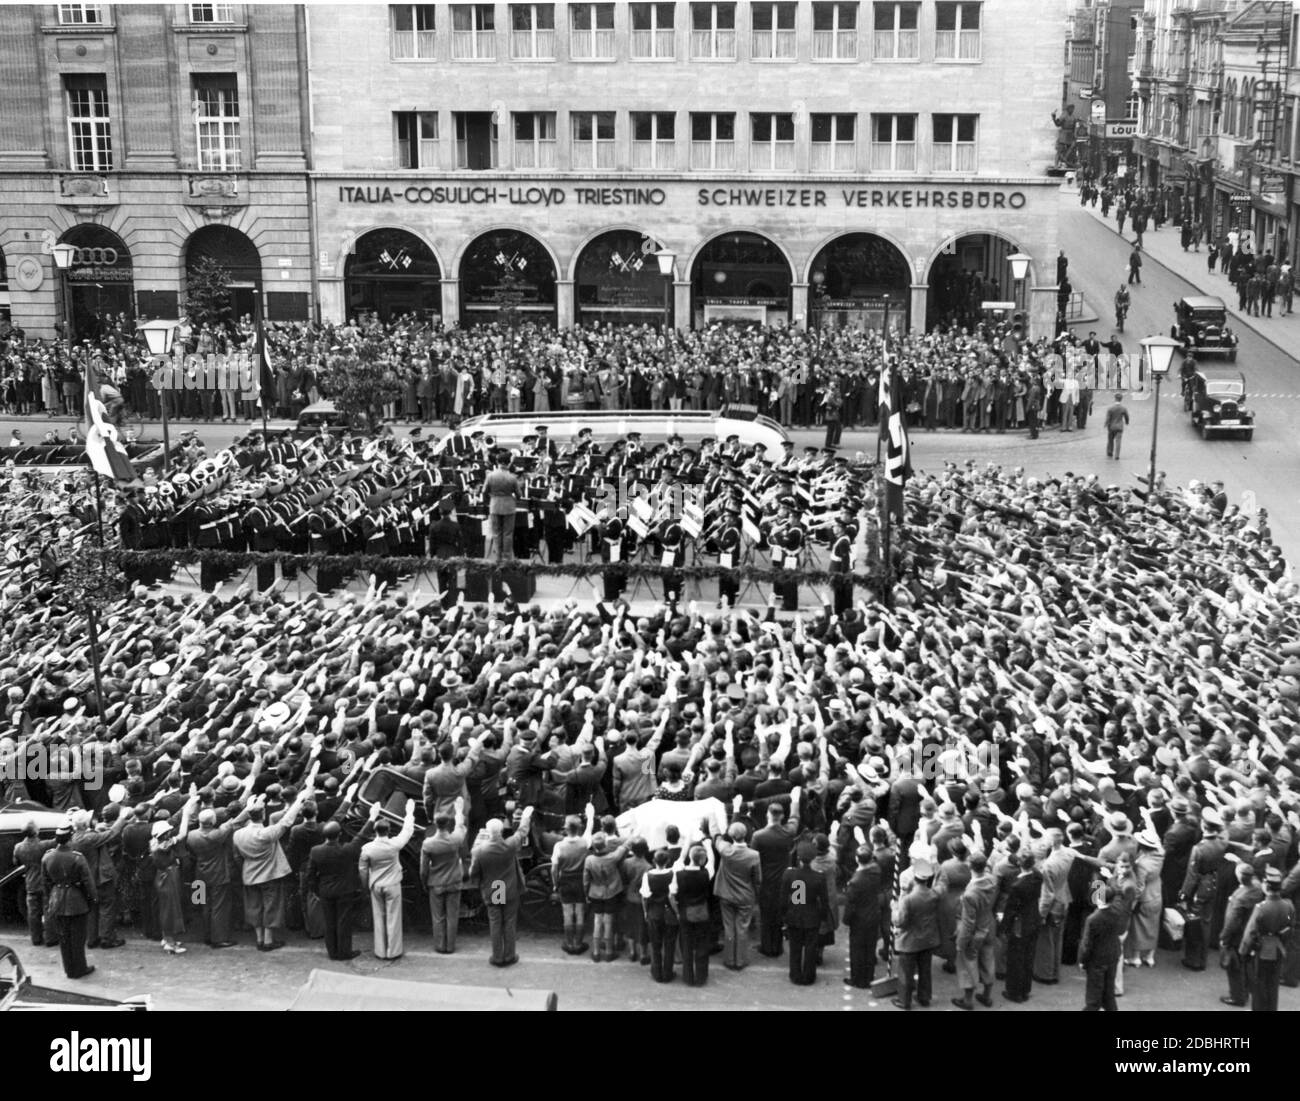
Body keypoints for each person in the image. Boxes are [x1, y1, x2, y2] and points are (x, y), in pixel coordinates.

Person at [232, 785, 312, 953]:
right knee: (271, 906)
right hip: (270, 875)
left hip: (249, 874)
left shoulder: (238, 834)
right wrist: (299, 801)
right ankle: (268, 940)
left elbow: (236, 824)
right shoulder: (267, 833)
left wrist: (249, 806)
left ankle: (259, 939)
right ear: (262, 815)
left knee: (254, 907)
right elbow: (287, 821)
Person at [469, 807, 535, 967]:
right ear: (500, 831)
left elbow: (473, 873)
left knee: (495, 923)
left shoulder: (480, 851)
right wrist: (525, 816)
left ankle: (497, 957)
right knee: (510, 922)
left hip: (493, 890)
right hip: (509, 889)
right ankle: (510, 955)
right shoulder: (509, 845)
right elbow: (521, 832)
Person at [359, 799, 417, 960]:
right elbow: (407, 831)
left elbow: (363, 870)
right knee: (394, 917)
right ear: (389, 830)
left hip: (375, 885)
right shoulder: (394, 845)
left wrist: (366, 887)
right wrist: (409, 812)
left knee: (379, 918)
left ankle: (380, 951)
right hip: (392, 885)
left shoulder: (367, 849)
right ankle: (393, 951)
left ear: (375, 831)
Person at [306, 820, 369, 962]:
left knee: (329, 922)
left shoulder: (315, 851)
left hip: (325, 891)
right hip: (344, 891)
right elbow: (361, 837)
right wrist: (371, 818)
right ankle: (344, 952)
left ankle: (332, 952)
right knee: (343, 922)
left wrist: (316, 890)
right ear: (339, 835)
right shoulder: (346, 850)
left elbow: (311, 874)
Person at [41, 823, 97, 979]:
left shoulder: (47, 856)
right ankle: (80, 969)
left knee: (64, 939)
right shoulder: (77, 857)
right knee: (78, 938)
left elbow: (45, 883)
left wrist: (50, 899)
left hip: (56, 899)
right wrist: (92, 899)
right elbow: (88, 882)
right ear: (70, 838)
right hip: (76, 900)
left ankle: (69, 969)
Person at [1241, 867, 1296, 1012]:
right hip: (1278, 948)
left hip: (1261, 949)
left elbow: (1251, 933)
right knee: (1273, 985)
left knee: (1259, 985)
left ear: (1266, 885)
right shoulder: (1288, 906)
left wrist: (1244, 951)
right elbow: (1290, 925)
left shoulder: (1261, 908)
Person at [753, 790, 801, 957]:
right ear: (781, 817)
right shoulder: (788, 832)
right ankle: (778, 946)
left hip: (765, 880)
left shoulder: (758, 836)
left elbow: (754, 859)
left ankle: (767, 946)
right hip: (783, 880)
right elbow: (795, 818)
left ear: (768, 815)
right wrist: (794, 800)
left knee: (766, 916)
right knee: (779, 914)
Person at [420, 797, 468, 954]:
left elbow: (423, 869)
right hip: (454, 880)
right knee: (452, 916)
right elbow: (461, 825)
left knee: (438, 917)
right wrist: (459, 810)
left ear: (435, 824)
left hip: (436, 883)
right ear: (448, 824)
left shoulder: (428, 844)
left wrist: (424, 883)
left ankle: (440, 946)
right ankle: (451, 946)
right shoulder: (456, 839)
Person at [714, 820, 762, 971]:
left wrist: (715, 820)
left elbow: (717, 838)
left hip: (726, 895)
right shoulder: (754, 855)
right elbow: (758, 879)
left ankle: (729, 959)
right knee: (742, 928)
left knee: (729, 927)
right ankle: (740, 960)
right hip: (745, 896)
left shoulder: (725, 851)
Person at [782, 840, 832, 986]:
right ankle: (809, 975)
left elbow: (783, 897)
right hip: (812, 916)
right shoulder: (818, 877)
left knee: (795, 947)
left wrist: (784, 914)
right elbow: (824, 900)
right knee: (811, 948)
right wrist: (823, 917)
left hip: (794, 915)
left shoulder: (789, 874)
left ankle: (795, 974)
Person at [952, 852, 998, 1010]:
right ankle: (987, 995)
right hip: (989, 925)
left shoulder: (970, 894)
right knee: (988, 959)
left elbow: (968, 923)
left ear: (970, 867)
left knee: (968, 963)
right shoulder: (992, 879)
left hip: (975, 932)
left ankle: (968, 1000)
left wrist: (961, 942)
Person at [893, 858, 940, 1010]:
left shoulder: (907, 900)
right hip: (928, 939)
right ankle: (924, 997)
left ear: (914, 877)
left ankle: (904, 1001)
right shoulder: (934, 895)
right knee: (925, 970)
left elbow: (900, 922)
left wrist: (894, 908)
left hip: (910, 941)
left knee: (906, 973)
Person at [670, 841, 715, 986]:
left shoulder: (679, 873)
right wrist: (708, 845)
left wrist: (687, 842)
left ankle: (688, 976)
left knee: (687, 944)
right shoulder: (707, 873)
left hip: (685, 912)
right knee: (702, 944)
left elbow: (672, 894)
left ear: (690, 856)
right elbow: (712, 861)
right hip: (702, 912)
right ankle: (701, 976)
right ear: (703, 859)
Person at [1220, 862, 1264, 1007]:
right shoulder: (1257, 887)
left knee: (1234, 967)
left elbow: (1232, 921)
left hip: (1237, 935)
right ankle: (1246, 990)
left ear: (1239, 876)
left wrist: (1224, 937)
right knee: (1246, 964)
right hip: (1250, 932)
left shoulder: (1240, 898)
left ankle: (1237, 996)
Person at [1001, 850, 1042, 1003]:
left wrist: (1004, 927)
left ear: (1019, 864)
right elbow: (1032, 867)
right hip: (1034, 919)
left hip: (1020, 924)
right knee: (1029, 957)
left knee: (1015, 960)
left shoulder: (1017, 886)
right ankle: (1025, 989)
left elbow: (1010, 910)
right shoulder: (1037, 877)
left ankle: (1014, 993)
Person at [842, 843, 883, 989]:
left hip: (859, 919)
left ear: (857, 860)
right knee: (869, 948)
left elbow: (850, 904)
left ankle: (858, 979)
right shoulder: (876, 871)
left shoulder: (855, 882)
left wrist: (846, 920)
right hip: (873, 914)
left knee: (857, 951)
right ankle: (869, 976)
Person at [1079, 882, 1124, 1012]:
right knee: (1109, 995)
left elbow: (1087, 944)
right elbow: (1120, 895)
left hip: (1096, 961)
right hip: (1112, 956)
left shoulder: (1093, 919)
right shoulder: (1117, 911)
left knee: (1093, 998)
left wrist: (1082, 960)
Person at [482, 452, 520, 562]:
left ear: (497, 462)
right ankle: (507, 558)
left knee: (496, 533)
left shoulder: (490, 476)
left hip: (494, 505)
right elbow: (519, 494)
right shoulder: (512, 477)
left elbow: (484, 491)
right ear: (508, 463)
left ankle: (497, 558)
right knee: (507, 533)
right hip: (509, 506)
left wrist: (492, 497)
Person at [1104, 392, 1129, 460]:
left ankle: (1110, 452)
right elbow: (1126, 416)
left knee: (1110, 440)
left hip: (1111, 427)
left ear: (1115, 399)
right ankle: (1117, 455)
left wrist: (1106, 424)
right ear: (1121, 399)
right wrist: (1127, 422)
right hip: (1119, 427)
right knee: (1118, 441)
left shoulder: (1110, 408)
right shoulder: (1123, 408)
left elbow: (1108, 418)